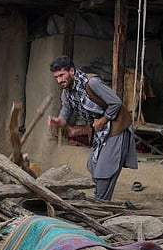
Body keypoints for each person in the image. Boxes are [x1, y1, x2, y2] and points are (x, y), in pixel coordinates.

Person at [47, 55, 136, 200]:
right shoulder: (67, 92)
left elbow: (116, 103)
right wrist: (58, 121)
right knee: (93, 165)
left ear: (72, 71)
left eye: (62, 75)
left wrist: (103, 119)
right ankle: (100, 200)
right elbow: (65, 112)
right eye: (56, 77)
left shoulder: (92, 83)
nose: (59, 80)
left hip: (117, 126)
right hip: (100, 131)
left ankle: (101, 202)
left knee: (105, 168)